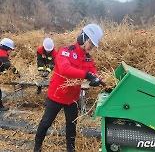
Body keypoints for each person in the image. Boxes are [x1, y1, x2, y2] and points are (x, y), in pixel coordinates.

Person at [34, 24, 106, 152]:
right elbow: (64, 69)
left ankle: (70, 149)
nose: (92, 47)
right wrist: (86, 75)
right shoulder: (66, 51)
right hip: (57, 95)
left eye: (94, 46)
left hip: (72, 97)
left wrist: (98, 79)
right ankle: (37, 146)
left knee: (72, 125)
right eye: (91, 44)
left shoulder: (88, 57)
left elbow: (92, 70)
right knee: (46, 122)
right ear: (84, 38)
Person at [0, 38, 19, 111]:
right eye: (10, 49)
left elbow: (1, 66)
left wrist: (4, 73)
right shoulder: (2, 54)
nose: (11, 51)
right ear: (6, 48)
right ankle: (0, 107)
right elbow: (9, 66)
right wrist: (17, 73)